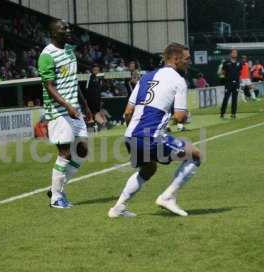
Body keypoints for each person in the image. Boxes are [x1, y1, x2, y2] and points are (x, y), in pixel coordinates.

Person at [108, 42, 201, 218]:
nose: (189, 62)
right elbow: (180, 116)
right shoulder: (178, 80)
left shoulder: (145, 77)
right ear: (176, 59)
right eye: (187, 59)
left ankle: (118, 208)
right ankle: (168, 197)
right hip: (149, 136)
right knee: (195, 155)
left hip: (130, 135)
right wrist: (184, 117)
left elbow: (128, 112)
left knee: (148, 168)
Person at [37, 20, 93, 209]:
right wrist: (67, 105)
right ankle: (56, 199)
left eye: (68, 28)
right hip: (58, 111)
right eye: (63, 28)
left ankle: (56, 188)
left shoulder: (69, 50)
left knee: (82, 151)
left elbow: (72, 79)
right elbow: (49, 86)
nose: (68, 30)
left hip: (74, 109)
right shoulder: (46, 55)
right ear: (53, 33)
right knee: (65, 153)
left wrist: (84, 105)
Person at [220, 49, 242, 119]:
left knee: (234, 99)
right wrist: (227, 77)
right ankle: (222, 113)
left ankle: (233, 114)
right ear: (230, 54)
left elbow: (239, 72)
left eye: (236, 53)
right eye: (233, 53)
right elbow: (222, 72)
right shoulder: (226, 63)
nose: (234, 54)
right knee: (226, 98)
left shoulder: (239, 63)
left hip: (236, 83)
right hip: (228, 83)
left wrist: (239, 81)